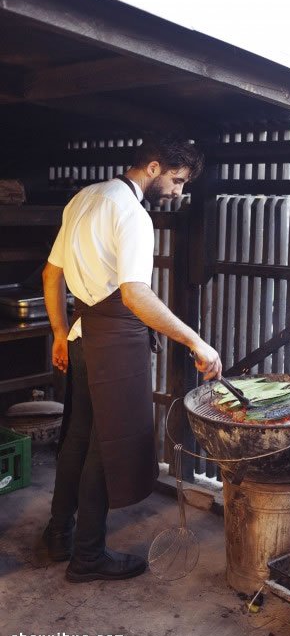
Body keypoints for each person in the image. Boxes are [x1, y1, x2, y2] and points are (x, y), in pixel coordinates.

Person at [41, 135, 222, 583]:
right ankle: (87, 557)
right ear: (155, 167)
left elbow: (51, 274)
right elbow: (136, 294)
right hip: (115, 341)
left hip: (83, 335)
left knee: (79, 437)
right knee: (109, 445)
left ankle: (57, 535)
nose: (179, 192)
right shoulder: (133, 215)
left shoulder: (85, 198)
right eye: (178, 181)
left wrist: (62, 334)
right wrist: (196, 342)